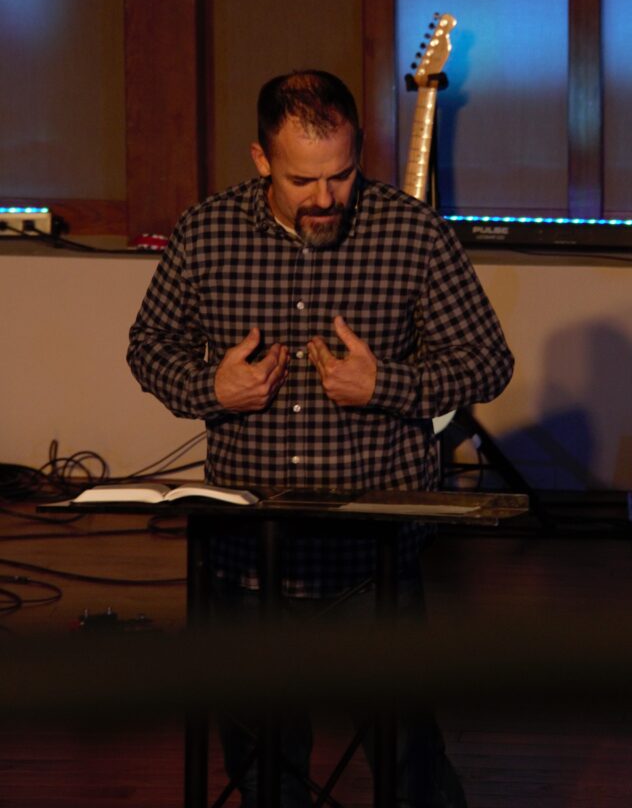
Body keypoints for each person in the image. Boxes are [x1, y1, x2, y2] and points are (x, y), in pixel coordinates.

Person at [127, 69, 514, 807]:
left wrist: (386, 387)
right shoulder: (206, 230)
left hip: (371, 554)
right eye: (304, 181)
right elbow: (149, 345)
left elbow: (487, 362)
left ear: (358, 152)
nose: (325, 199)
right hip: (246, 553)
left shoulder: (410, 232)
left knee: (408, 763)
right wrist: (210, 387)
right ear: (261, 158)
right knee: (263, 764)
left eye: (340, 175)